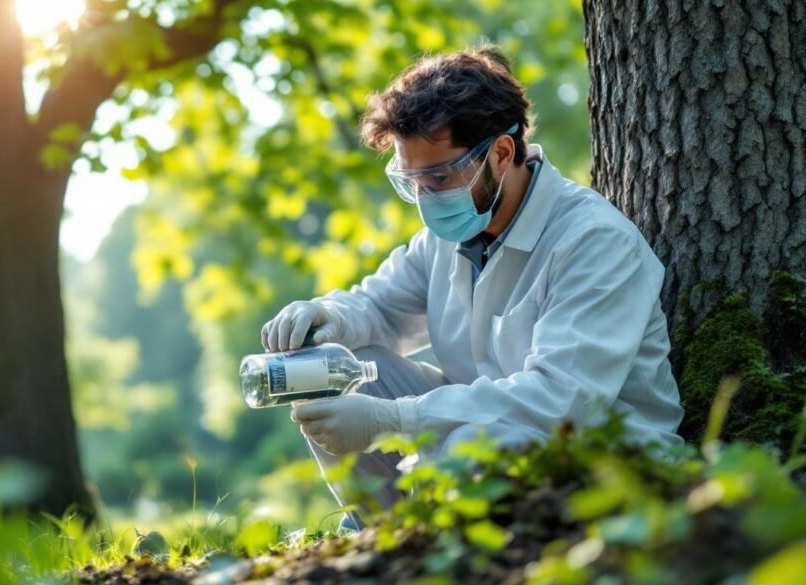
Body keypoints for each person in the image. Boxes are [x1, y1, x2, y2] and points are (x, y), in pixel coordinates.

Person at [259, 44, 684, 531]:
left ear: (501, 153)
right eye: (411, 180)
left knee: (470, 446)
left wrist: (394, 420)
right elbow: (380, 310)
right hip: (490, 442)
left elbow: (563, 402)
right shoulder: (447, 239)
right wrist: (328, 315)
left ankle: (424, 544)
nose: (425, 197)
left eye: (438, 177)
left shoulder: (592, 241)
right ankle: (382, 536)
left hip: (607, 465)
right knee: (338, 372)